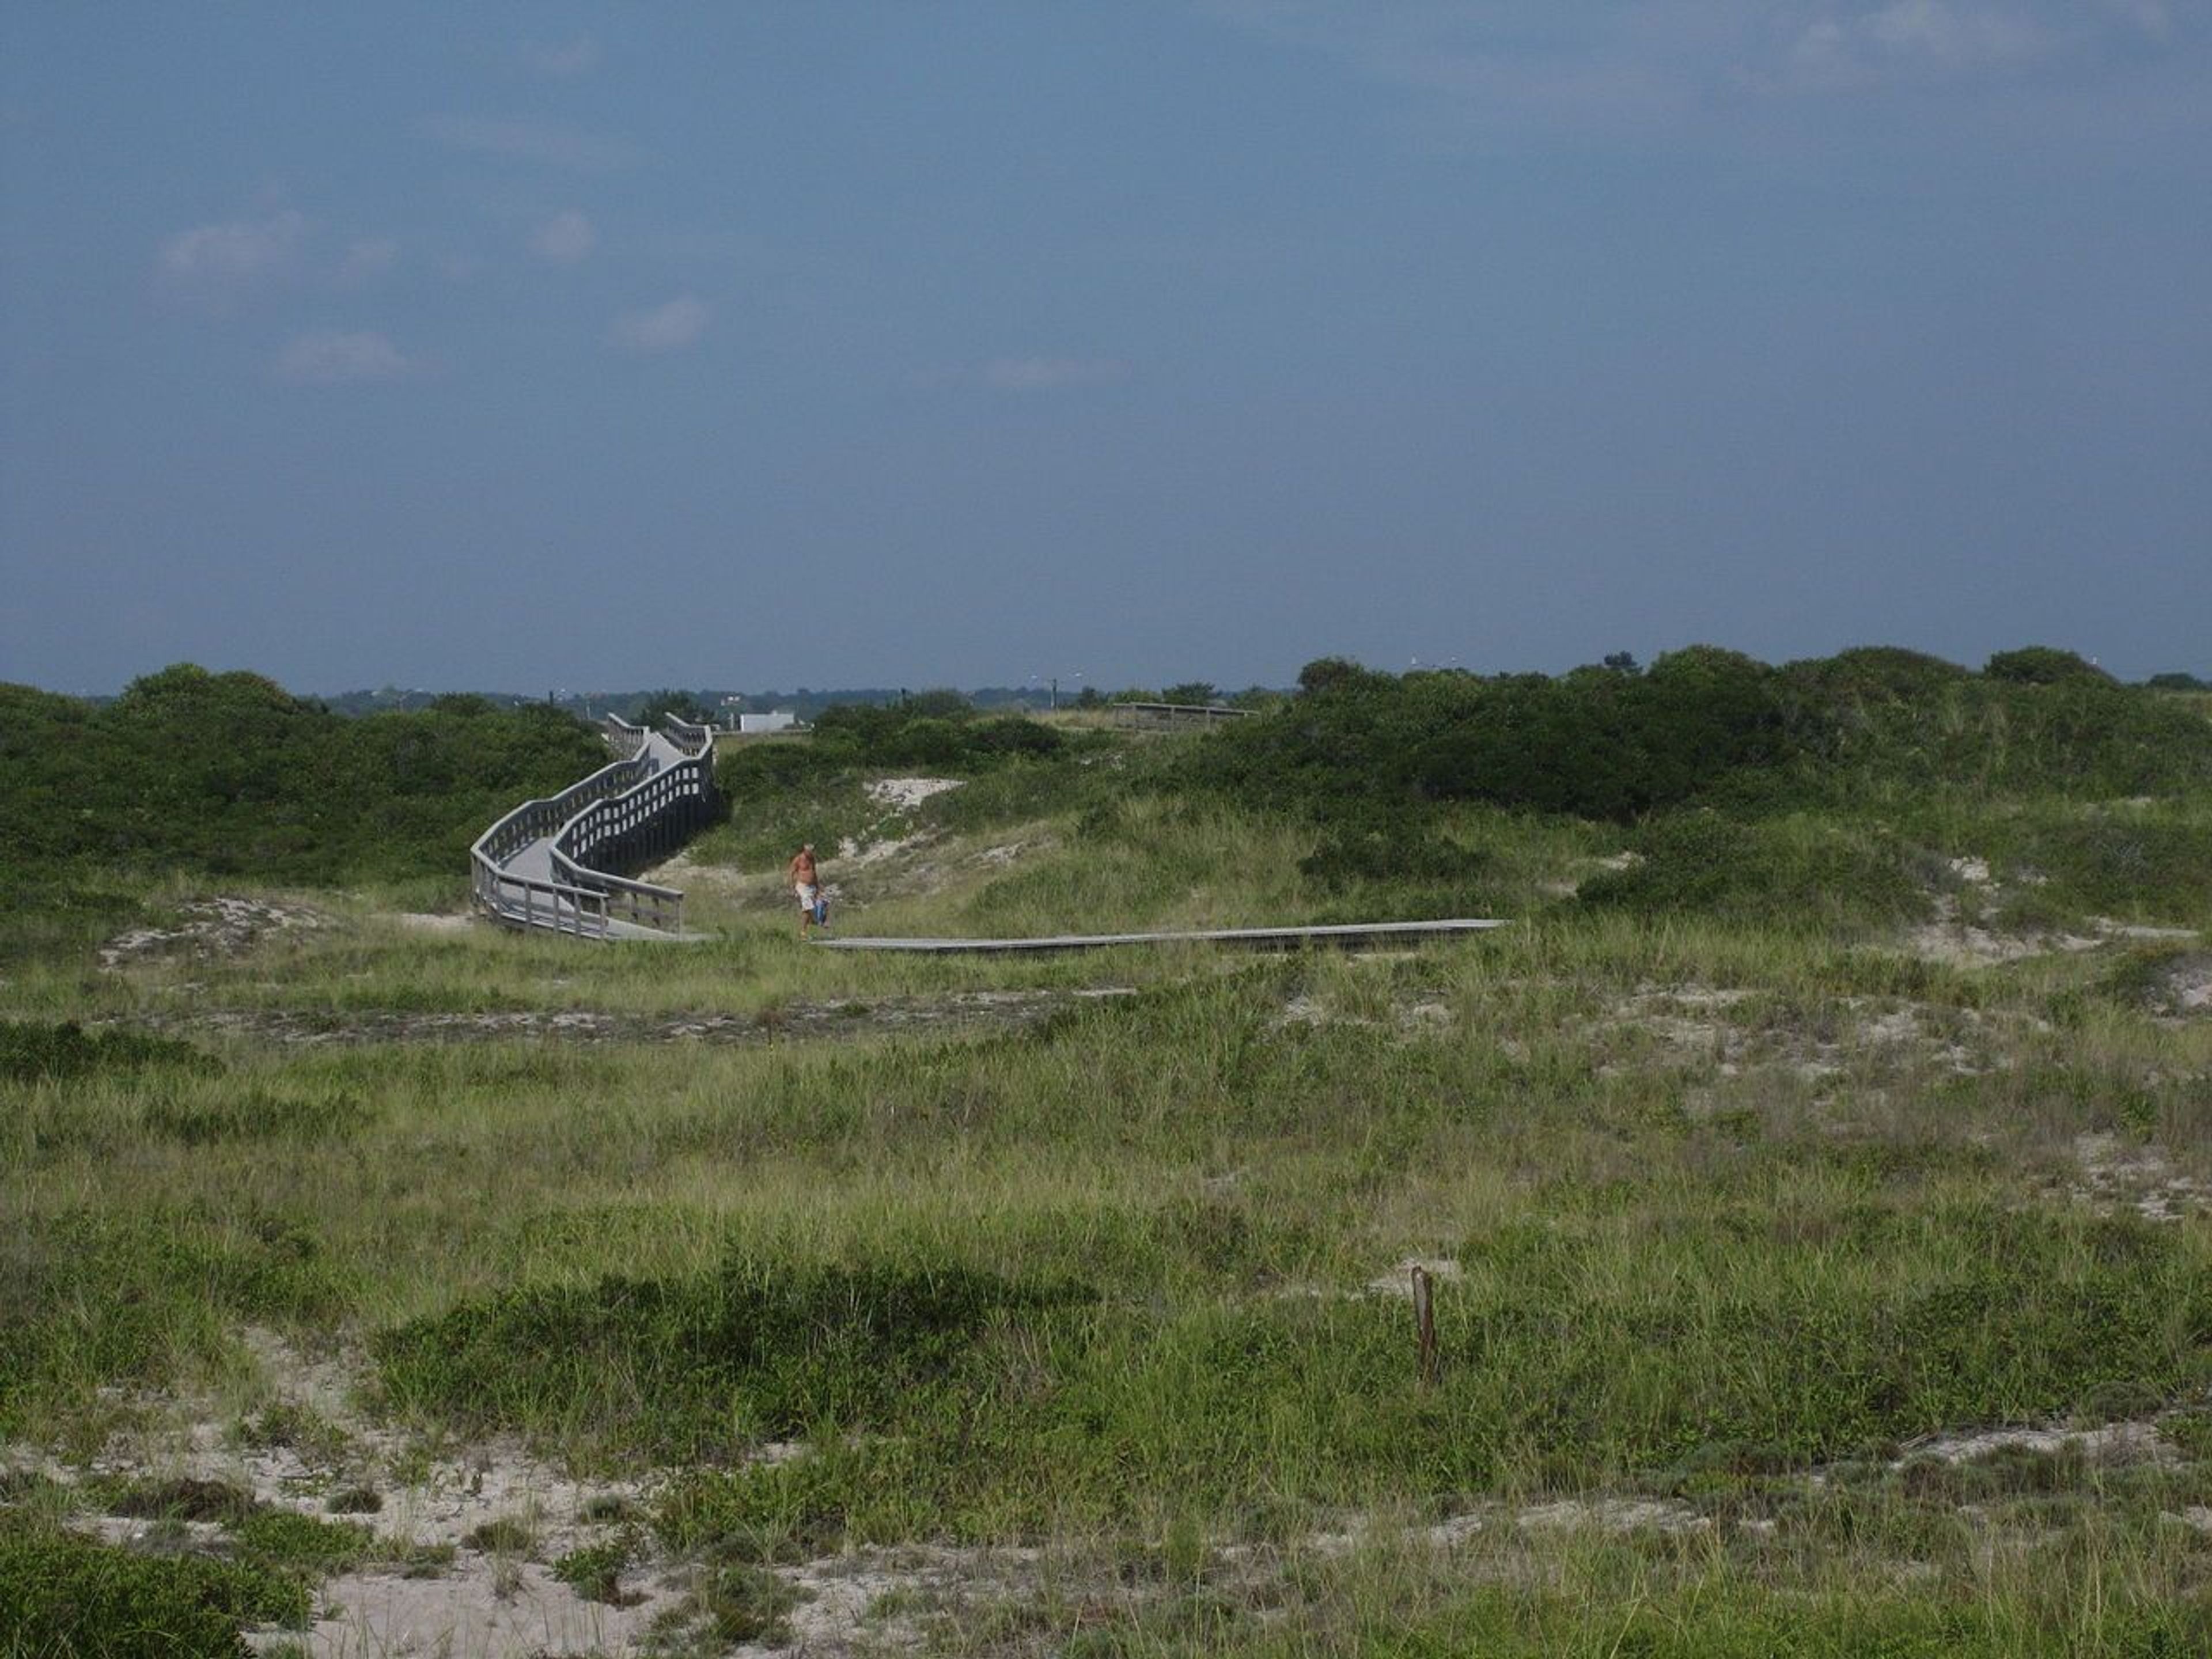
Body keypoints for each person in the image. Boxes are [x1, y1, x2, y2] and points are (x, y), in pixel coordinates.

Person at [789, 842, 822, 938]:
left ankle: (811, 921)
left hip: (812, 887)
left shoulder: (812, 859)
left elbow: (814, 873)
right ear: (805, 850)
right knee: (808, 907)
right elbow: (791, 872)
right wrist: (792, 888)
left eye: (812, 851)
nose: (811, 853)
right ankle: (803, 932)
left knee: (811, 909)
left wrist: (818, 887)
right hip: (802, 886)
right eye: (809, 851)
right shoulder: (799, 859)